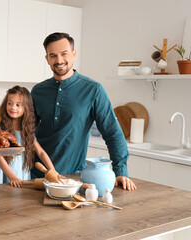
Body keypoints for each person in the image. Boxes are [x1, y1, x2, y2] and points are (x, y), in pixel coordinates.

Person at [31, 32, 137, 191]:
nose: (59, 60)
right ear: (47, 59)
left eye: (64, 54)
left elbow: (112, 132)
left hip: (74, 177)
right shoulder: (38, 91)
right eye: (53, 55)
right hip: (37, 175)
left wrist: (121, 171)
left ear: (73, 54)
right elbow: (27, 132)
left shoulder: (93, 90)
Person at [0, 86, 56, 187]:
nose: (13, 107)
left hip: (22, 175)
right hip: (6, 175)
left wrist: (53, 172)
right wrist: (12, 177)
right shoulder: (0, 129)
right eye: (9, 103)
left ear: (26, 107)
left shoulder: (27, 131)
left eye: (18, 105)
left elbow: (41, 152)